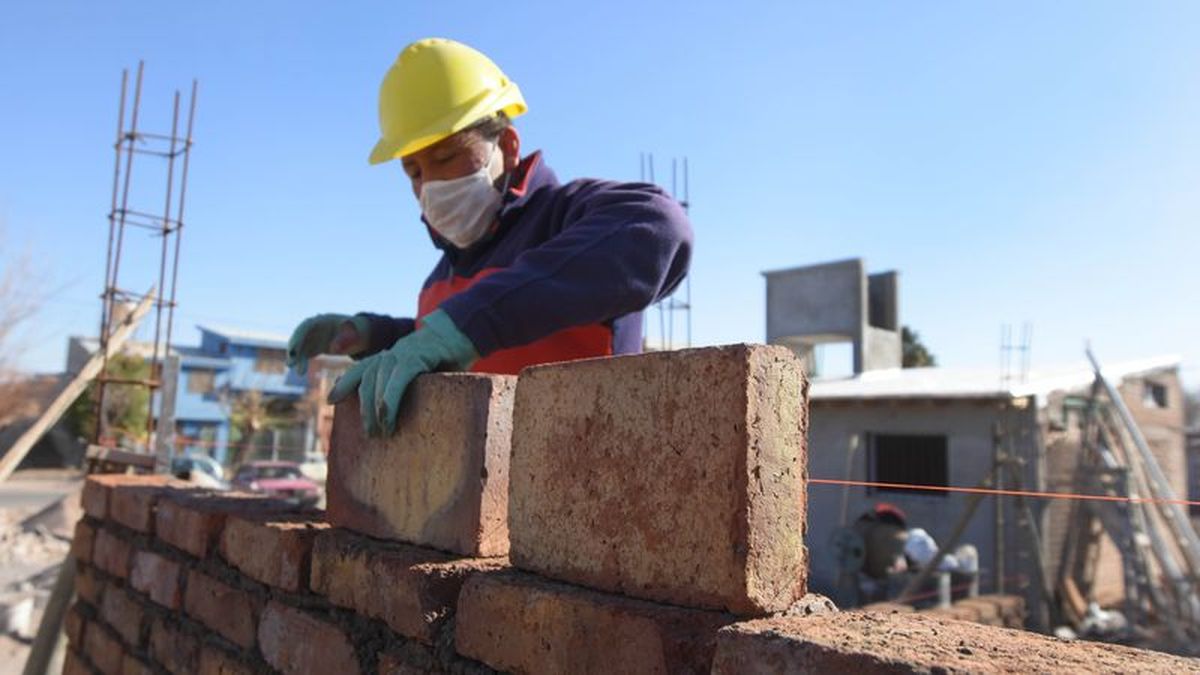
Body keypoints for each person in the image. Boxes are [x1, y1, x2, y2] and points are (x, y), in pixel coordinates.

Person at [286, 38, 693, 436]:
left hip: (587, 481)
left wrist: (465, 325)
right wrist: (373, 335)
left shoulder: (569, 217)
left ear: (509, 146)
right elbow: (454, 344)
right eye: (414, 171)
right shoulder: (441, 275)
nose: (430, 185)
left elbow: (659, 226)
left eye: (446, 157)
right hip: (479, 492)